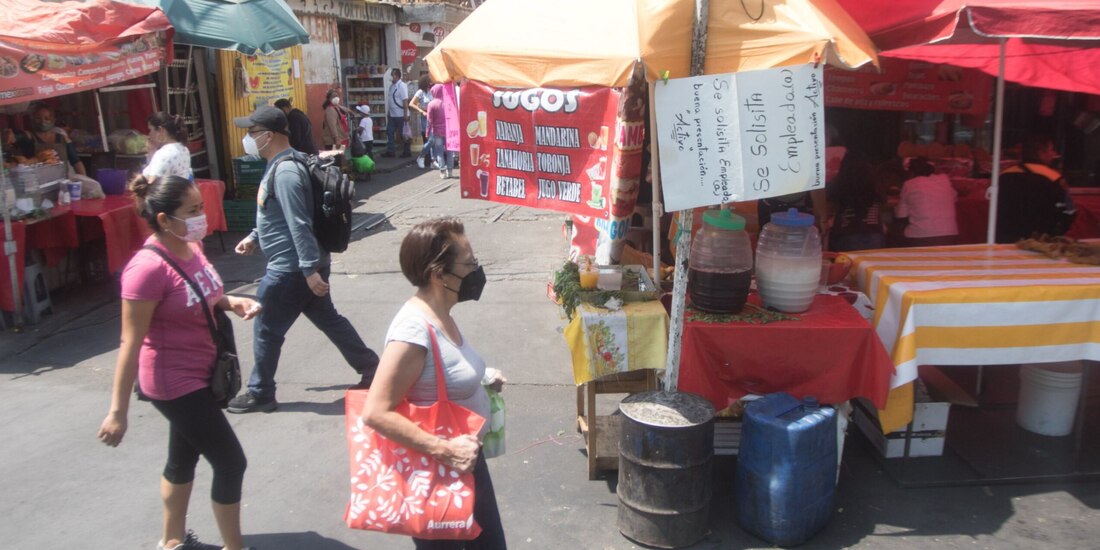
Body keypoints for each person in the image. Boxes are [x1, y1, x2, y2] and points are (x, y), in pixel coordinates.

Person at [97, 175, 260, 550]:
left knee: (182, 457)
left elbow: (206, 292)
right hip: (172, 382)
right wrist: (117, 412)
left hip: (202, 372)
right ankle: (234, 547)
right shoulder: (146, 269)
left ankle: (172, 541)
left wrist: (231, 302)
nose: (202, 216)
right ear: (164, 220)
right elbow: (129, 343)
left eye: (201, 207)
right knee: (231, 462)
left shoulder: (192, 246)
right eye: (192, 211)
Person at [360, 217, 507, 550]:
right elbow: (375, 412)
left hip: (465, 462)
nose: (477, 271)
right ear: (440, 274)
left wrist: (481, 378)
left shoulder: (442, 314)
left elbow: (442, 370)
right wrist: (445, 449)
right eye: (470, 264)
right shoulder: (412, 331)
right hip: (437, 471)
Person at [229, 106, 379, 413]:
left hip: (292, 268)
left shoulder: (284, 171)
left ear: (268, 136)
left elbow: (299, 222)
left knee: (266, 328)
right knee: (329, 320)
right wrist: (255, 237)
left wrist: (309, 270)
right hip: (304, 265)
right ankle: (372, 368)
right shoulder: (286, 163)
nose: (247, 138)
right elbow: (279, 216)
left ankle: (260, 391)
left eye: (251, 132)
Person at [996, 134, 1076, 243]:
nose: (1053, 154)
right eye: (1051, 150)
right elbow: (1070, 211)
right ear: (1040, 153)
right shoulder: (1054, 178)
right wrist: (1057, 232)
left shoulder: (1003, 175)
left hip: (1004, 239)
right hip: (1039, 241)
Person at [827, 151, 886, 252]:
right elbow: (883, 200)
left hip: (847, 232)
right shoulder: (875, 183)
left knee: (849, 265)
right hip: (874, 233)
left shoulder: (840, 183)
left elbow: (829, 207)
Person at [895, 157, 958, 247]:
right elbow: (954, 198)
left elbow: (901, 215)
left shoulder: (909, 184)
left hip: (920, 236)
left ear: (911, 172)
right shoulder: (945, 180)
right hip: (950, 234)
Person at [10, 103, 87, 176]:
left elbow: (76, 162)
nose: (43, 121)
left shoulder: (62, 138)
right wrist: (12, 137)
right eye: (38, 118)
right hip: (38, 185)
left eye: (47, 118)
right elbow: (18, 137)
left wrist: (84, 179)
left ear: (53, 119)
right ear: (32, 119)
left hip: (62, 183)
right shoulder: (29, 136)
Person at [143, 112, 193, 182]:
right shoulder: (184, 149)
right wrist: (152, 151)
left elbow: (152, 184)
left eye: (151, 129)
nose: (149, 134)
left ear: (161, 130)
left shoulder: (163, 154)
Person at [426, 83, 453, 179]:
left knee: (439, 151)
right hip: (448, 131)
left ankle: (443, 171)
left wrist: (427, 132)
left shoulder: (431, 104)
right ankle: (450, 170)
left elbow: (429, 120)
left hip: (437, 132)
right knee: (449, 150)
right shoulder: (448, 102)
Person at [383, 68, 411, 158]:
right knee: (389, 132)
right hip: (392, 115)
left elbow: (405, 100)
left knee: (404, 134)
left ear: (398, 76)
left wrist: (405, 114)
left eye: (393, 75)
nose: (392, 77)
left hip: (401, 115)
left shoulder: (402, 86)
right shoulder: (391, 86)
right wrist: (388, 112)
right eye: (391, 75)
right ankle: (391, 151)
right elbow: (390, 100)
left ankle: (407, 151)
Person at [410, 76, 434, 169]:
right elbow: (411, 103)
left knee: (433, 139)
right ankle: (423, 157)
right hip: (425, 117)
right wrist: (421, 111)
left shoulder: (432, 90)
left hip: (434, 117)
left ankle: (432, 160)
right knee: (429, 139)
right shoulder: (420, 92)